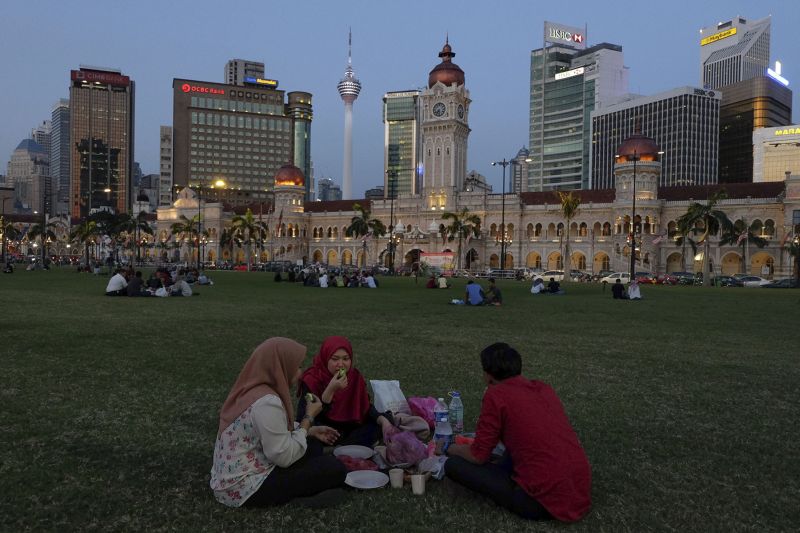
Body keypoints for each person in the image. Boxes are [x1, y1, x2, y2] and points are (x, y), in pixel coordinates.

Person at [442, 342, 591, 522]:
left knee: (453, 465)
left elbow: (477, 455)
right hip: (578, 493)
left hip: (541, 502)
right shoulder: (543, 388)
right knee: (510, 455)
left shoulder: (496, 396)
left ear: (488, 376)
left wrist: (449, 447)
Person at [210, 337, 346, 508]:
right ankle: (300, 501)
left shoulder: (251, 389)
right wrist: (308, 419)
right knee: (334, 468)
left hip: (231, 479)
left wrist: (309, 431)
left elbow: (272, 429)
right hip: (246, 488)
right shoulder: (266, 402)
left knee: (312, 446)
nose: (300, 372)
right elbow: (284, 457)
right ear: (280, 367)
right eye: (297, 366)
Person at [296, 336, 394, 447]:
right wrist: (330, 390)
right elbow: (304, 417)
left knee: (382, 423)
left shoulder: (354, 377)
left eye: (345, 359)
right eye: (335, 359)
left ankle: (346, 446)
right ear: (325, 358)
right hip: (324, 431)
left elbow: (364, 407)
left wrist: (382, 420)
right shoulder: (311, 380)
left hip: (350, 428)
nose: (341, 364)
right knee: (310, 440)